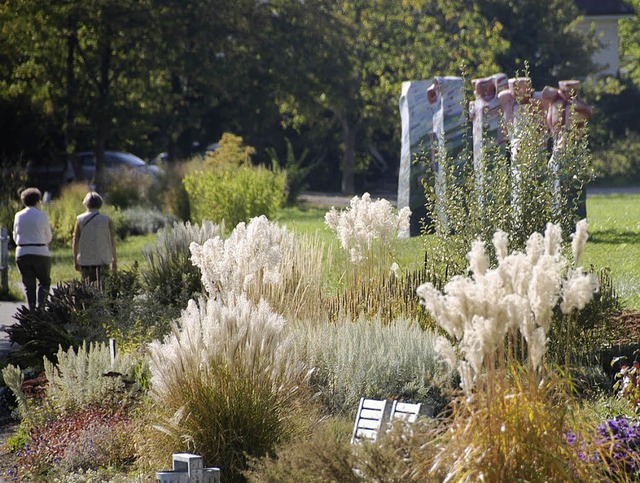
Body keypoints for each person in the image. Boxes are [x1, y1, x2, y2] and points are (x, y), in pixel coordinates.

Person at [13, 187, 53, 310]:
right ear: (38, 200)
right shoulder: (42, 215)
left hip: (22, 251)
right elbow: (48, 236)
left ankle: (31, 308)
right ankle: (41, 307)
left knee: (29, 284)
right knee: (44, 281)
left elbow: (15, 235)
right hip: (40, 251)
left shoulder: (18, 216)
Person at [72, 192, 117, 284]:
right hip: (103, 260)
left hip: (85, 260)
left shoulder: (79, 219)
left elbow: (75, 241)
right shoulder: (106, 219)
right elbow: (112, 241)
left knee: (88, 288)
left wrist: (75, 260)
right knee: (102, 287)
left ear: (86, 204)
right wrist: (114, 260)